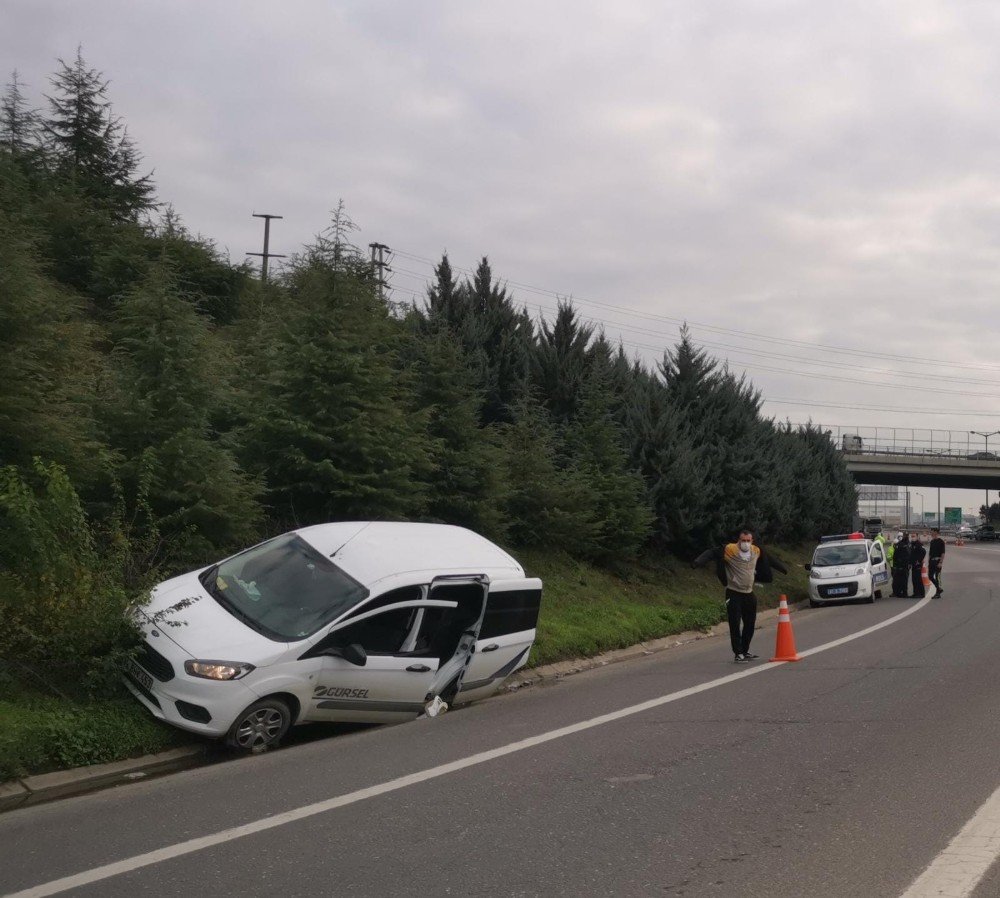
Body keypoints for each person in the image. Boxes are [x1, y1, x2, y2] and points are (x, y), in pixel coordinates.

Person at [693, 528, 788, 664]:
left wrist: (782, 569)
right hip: (733, 592)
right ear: (738, 540)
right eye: (743, 540)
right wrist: (697, 562)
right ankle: (738, 653)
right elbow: (711, 553)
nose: (745, 543)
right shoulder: (730, 550)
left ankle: (745, 650)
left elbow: (769, 558)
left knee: (750, 623)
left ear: (752, 541)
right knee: (735, 623)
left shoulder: (755, 551)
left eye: (748, 541)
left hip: (749, 593)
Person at [891, 533, 910, 597]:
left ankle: (904, 593)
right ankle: (898, 592)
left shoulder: (907, 544)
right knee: (898, 579)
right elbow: (895, 555)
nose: (905, 537)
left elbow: (909, 555)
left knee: (903, 580)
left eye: (906, 535)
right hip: (900, 565)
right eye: (905, 535)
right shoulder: (902, 544)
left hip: (904, 565)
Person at [928, 527, 946, 597]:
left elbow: (943, 553)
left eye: (932, 531)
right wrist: (929, 561)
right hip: (931, 561)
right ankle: (938, 588)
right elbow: (930, 552)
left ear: (936, 532)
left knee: (937, 577)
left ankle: (937, 593)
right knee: (930, 576)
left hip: (937, 561)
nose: (931, 533)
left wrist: (940, 562)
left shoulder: (941, 541)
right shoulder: (932, 541)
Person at [910, 533, 926, 599]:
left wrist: (919, 560)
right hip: (913, 564)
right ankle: (915, 593)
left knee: (918, 579)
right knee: (914, 579)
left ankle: (921, 593)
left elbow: (923, 552)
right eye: (912, 536)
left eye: (914, 536)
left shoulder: (918, 544)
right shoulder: (912, 544)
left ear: (917, 537)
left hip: (918, 565)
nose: (912, 537)